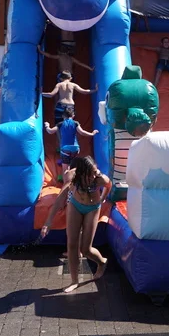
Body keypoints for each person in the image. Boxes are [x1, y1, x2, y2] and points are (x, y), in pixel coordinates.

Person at [40, 156, 111, 293]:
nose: (93, 177)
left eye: (94, 173)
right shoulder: (72, 178)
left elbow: (108, 185)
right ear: (81, 174)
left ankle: (102, 262)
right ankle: (74, 281)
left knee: (86, 249)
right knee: (72, 244)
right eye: (89, 175)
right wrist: (47, 223)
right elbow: (59, 200)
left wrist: (102, 198)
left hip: (92, 208)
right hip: (75, 205)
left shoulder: (99, 179)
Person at [44, 108, 99, 174]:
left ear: (63, 116)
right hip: (75, 149)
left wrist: (47, 126)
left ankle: (65, 170)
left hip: (65, 149)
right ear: (73, 116)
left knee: (65, 170)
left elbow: (50, 131)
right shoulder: (75, 123)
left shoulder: (60, 124)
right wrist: (92, 133)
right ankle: (70, 165)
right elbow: (82, 132)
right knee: (72, 160)